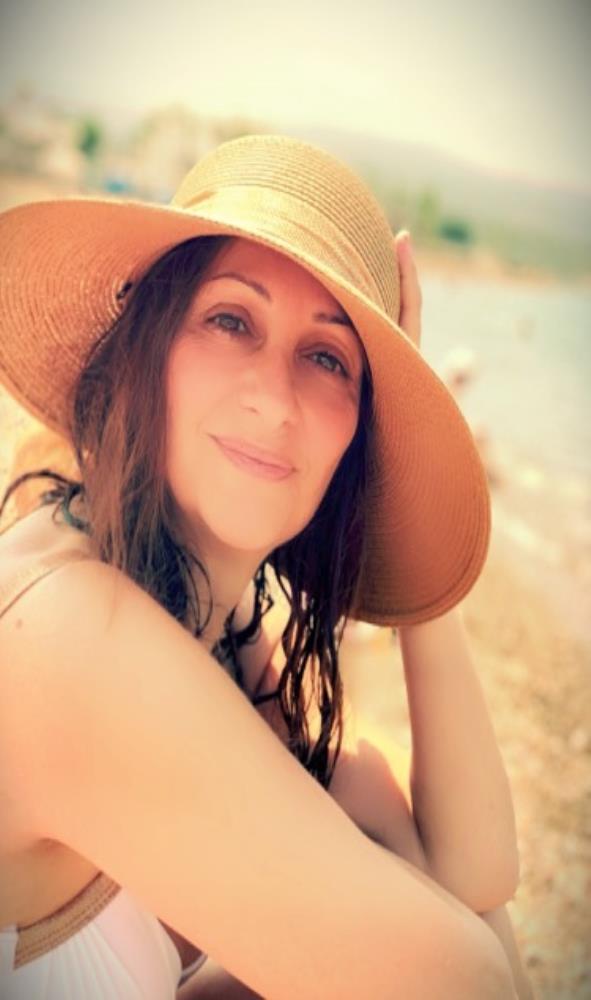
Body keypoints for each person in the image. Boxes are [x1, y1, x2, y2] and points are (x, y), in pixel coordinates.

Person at [0, 134, 531, 999]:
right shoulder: (69, 632)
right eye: (230, 320)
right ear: (149, 344)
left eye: (326, 358)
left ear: (355, 438)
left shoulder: (216, 624)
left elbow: (475, 874)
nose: (274, 398)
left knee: (375, 803)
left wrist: (405, 470)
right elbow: (469, 981)